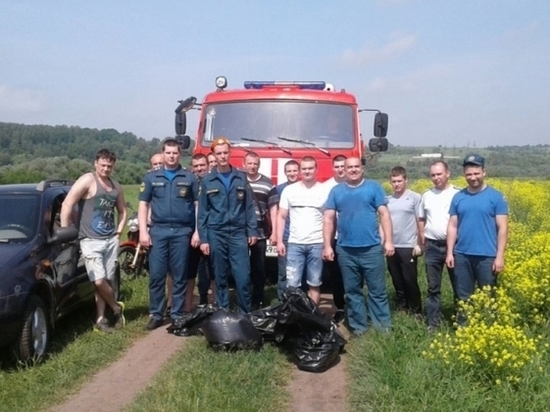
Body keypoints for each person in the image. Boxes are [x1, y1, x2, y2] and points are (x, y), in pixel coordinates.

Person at [323, 157, 394, 335]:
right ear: (344, 170)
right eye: (350, 167)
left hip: (371, 249)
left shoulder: (374, 187)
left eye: (356, 167)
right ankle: (358, 328)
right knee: (352, 291)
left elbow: (384, 215)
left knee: (377, 291)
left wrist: (389, 241)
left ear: (362, 169)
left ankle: (383, 329)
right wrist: (327, 246)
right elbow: (328, 219)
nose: (353, 170)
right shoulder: (336, 191)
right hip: (345, 250)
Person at [60, 148, 127, 333]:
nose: (106, 169)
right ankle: (116, 308)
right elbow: (67, 204)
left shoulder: (115, 185)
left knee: (105, 280)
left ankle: (100, 319)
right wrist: (67, 233)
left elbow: (123, 210)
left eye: (109, 166)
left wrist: (119, 232)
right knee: (98, 281)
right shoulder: (88, 180)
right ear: (95, 163)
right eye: (103, 165)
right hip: (90, 240)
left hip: (110, 239)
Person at [138, 138, 199, 330]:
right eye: (168, 153)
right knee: (157, 275)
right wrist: (143, 232)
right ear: (163, 154)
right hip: (159, 231)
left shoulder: (189, 178)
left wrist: (197, 231)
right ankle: (156, 314)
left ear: (180, 155)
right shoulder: (151, 178)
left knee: (180, 275)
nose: (171, 156)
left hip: (182, 232)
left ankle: (177, 314)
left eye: (175, 153)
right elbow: (143, 205)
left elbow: (198, 206)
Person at [446, 154, 508, 324]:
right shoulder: (458, 197)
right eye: (469, 174)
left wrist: (500, 256)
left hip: (487, 256)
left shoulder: (496, 197)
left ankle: (488, 330)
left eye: (476, 173)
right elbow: (452, 226)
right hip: (462, 255)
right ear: (464, 175)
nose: (472, 177)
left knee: (488, 297)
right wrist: (450, 252)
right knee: (463, 297)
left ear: (484, 172)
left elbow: (503, 228)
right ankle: (463, 331)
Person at [198, 137, 258, 313]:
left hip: (238, 233)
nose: (222, 156)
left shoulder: (241, 177)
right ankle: (223, 313)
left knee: (243, 277)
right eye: (219, 153)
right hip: (216, 233)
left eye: (225, 153)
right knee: (220, 276)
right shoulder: (207, 181)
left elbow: (248, 206)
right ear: (214, 156)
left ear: (230, 153)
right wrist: (204, 239)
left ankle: (244, 314)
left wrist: (252, 229)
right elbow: (203, 212)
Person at [277, 156, 326, 305]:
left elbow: (329, 220)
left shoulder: (324, 190)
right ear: (300, 170)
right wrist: (279, 241)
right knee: (292, 286)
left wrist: (327, 245)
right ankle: (294, 319)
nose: (307, 171)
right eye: (304, 168)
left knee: (315, 283)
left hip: (317, 244)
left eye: (310, 168)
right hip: (294, 244)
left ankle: (312, 318)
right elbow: (281, 216)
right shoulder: (289, 190)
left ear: (316, 169)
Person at [418, 161, 460, 331]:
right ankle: (433, 324)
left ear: (447, 173)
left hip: (455, 247)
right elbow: (421, 218)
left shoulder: (457, 194)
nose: (436, 178)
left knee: (459, 286)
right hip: (433, 246)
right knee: (433, 287)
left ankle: (461, 322)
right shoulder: (426, 195)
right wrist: (422, 237)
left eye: (439, 174)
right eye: (433, 175)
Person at [385, 166, 423, 315]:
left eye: (399, 181)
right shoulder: (387, 200)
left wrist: (420, 243)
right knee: (397, 279)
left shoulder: (414, 197)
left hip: (408, 245)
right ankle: (402, 306)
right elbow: (384, 222)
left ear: (406, 180)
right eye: (394, 181)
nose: (397, 184)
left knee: (410, 280)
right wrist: (384, 242)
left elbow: (419, 220)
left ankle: (416, 310)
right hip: (392, 245)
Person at [243, 151, 277, 308]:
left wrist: (275, 231)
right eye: (249, 163)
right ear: (244, 164)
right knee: (241, 268)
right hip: (240, 233)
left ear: (259, 165)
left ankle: (258, 299)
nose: (252, 166)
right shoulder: (238, 181)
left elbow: (273, 209)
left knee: (259, 267)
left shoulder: (268, 184)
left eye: (255, 163)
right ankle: (244, 299)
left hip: (260, 233)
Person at [322, 155, 347, 323]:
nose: (340, 169)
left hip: (350, 238)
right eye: (336, 166)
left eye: (342, 166)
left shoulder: (353, 184)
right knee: (335, 275)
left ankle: (353, 307)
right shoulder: (325, 187)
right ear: (333, 168)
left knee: (352, 275)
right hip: (333, 238)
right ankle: (339, 308)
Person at [188, 153, 215, 306]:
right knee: (198, 267)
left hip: (211, 230)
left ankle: (216, 303)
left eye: (202, 165)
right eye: (196, 166)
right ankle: (202, 298)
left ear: (208, 165)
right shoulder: (191, 182)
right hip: (194, 232)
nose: (199, 169)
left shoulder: (212, 182)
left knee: (212, 267)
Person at [271, 160, 299, 301]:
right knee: (283, 272)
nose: (292, 173)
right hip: (286, 236)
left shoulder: (305, 187)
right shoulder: (279, 189)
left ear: (298, 171)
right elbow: (276, 213)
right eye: (289, 171)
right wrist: (276, 235)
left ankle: (299, 302)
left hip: (301, 237)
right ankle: (283, 302)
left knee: (299, 273)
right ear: (285, 172)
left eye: (294, 170)